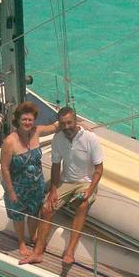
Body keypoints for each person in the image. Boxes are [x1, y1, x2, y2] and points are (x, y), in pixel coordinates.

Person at [23, 106, 104, 266]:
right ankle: (38, 252)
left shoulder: (90, 139)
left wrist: (89, 190)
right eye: (63, 124)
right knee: (46, 208)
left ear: (75, 121)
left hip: (85, 182)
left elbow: (99, 169)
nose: (66, 127)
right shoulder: (58, 139)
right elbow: (55, 166)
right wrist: (53, 190)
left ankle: (70, 252)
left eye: (69, 123)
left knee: (82, 205)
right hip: (66, 181)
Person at [0, 102, 60, 258]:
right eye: (24, 119)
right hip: (18, 187)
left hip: (36, 185)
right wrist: (11, 191)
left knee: (34, 213)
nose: (27, 123)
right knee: (19, 216)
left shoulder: (37, 131)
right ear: (18, 120)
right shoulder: (10, 142)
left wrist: (78, 122)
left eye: (30, 120)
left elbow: (55, 126)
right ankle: (21, 242)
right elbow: (5, 169)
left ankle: (32, 236)